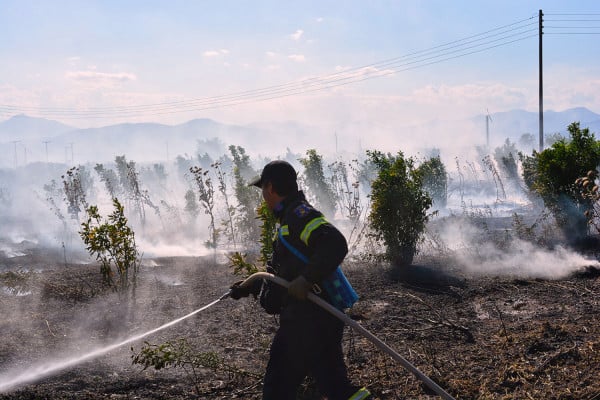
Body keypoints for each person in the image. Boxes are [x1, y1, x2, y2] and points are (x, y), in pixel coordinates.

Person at [229, 160, 370, 400]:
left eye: (263, 189)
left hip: (306, 322)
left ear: (270, 187)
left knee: (277, 389)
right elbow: (287, 270)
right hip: (317, 320)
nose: (263, 196)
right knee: (337, 388)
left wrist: (306, 280)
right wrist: (251, 285)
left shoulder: (298, 215)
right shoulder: (288, 219)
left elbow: (334, 242)